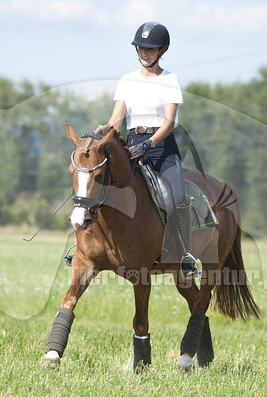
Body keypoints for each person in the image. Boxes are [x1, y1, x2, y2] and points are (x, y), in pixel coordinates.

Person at [95, 21, 199, 278]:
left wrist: (150, 144)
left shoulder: (169, 80)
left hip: (161, 147)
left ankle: (184, 255)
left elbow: (169, 122)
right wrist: (103, 131)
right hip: (129, 144)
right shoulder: (126, 80)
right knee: (97, 185)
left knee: (176, 198)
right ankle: (85, 247)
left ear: (162, 50)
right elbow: (117, 118)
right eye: (141, 47)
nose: (144, 52)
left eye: (150, 49)